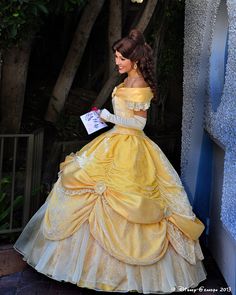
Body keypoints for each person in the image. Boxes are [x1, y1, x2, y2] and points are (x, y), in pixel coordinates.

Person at [14, 29, 206, 293]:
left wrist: (110, 117)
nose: (117, 62)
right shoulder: (127, 80)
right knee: (79, 187)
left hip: (131, 147)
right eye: (116, 56)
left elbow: (139, 124)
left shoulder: (140, 85)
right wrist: (103, 117)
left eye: (120, 58)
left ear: (135, 59)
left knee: (128, 201)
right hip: (112, 141)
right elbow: (120, 114)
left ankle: (120, 276)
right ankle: (77, 267)